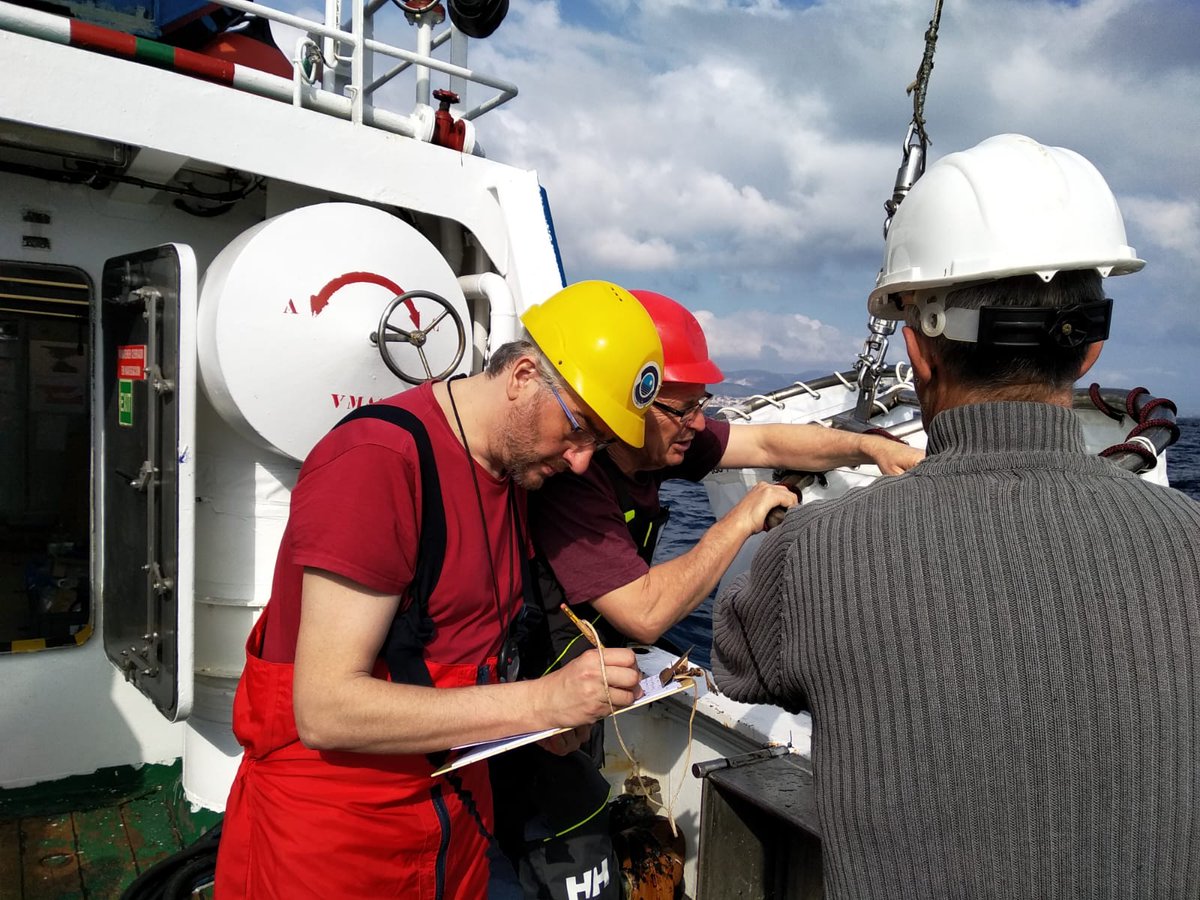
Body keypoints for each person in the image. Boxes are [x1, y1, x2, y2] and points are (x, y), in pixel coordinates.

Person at [712, 133, 1200, 899]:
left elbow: (740, 669)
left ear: (920, 353)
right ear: (1089, 352)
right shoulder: (1190, 541)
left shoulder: (815, 553)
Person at [213, 280, 667, 899]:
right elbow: (324, 708)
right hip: (337, 834)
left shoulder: (512, 475)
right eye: (578, 429)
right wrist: (542, 703)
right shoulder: (378, 461)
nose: (582, 462)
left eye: (599, 446)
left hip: (452, 814)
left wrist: (546, 723)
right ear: (524, 374)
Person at [489, 289, 922, 897]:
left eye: (703, 405)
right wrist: (741, 518)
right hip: (525, 723)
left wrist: (870, 446)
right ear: (627, 405)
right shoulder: (574, 484)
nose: (698, 424)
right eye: (681, 408)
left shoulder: (659, 444)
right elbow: (644, 613)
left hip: (584, 702)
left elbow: (767, 444)